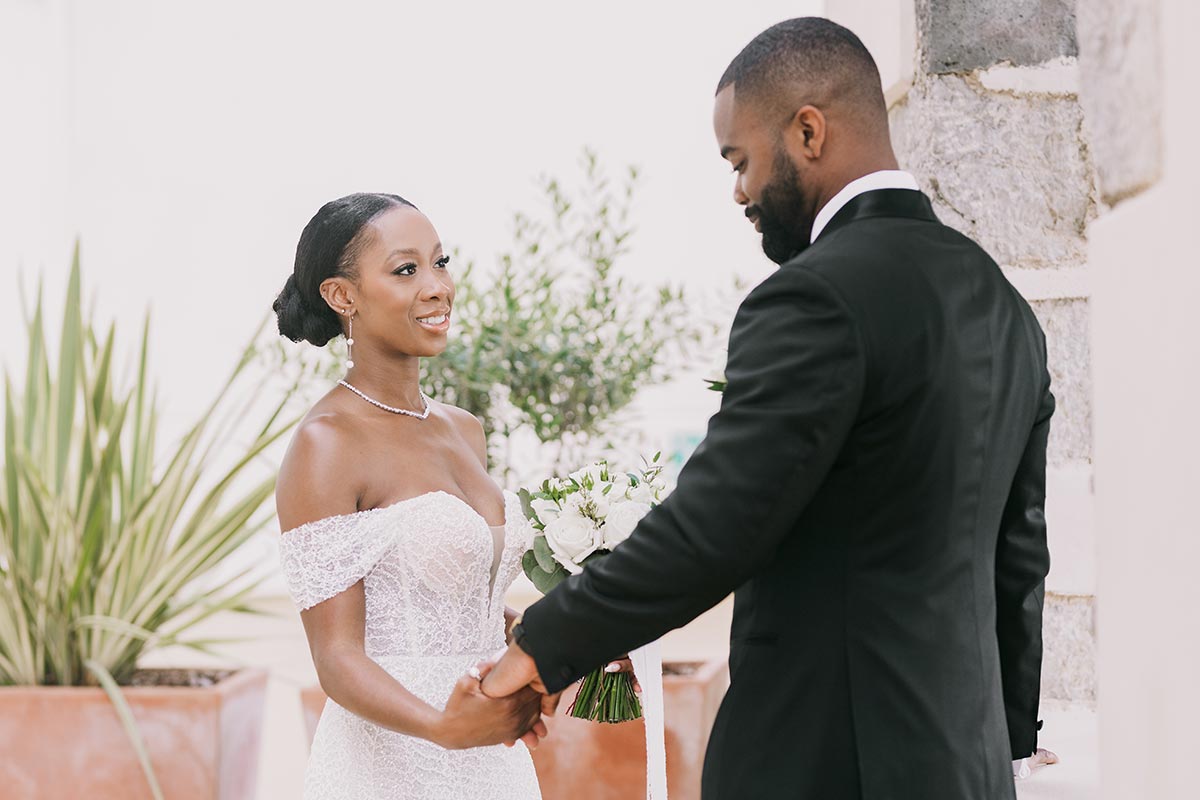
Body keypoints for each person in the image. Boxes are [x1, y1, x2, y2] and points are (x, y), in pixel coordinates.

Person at [483, 17, 1055, 799]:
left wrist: (543, 647)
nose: (740, 191)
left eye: (741, 160)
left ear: (809, 131)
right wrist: (1010, 736)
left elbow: (716, 525)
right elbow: (1017, 552)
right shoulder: (1004, 305)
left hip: (826, 759)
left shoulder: (816, 295)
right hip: (968, 762)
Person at [272, 193, 562, 799]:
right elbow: (336, 657)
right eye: (406, 270)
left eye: (440, 262)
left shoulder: (464, 430)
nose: (437, 287)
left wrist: (561, 641)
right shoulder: (326, 444)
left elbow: (457, 601)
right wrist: (444, 727)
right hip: (396, 758)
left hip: (491, 751)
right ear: (341, 296)